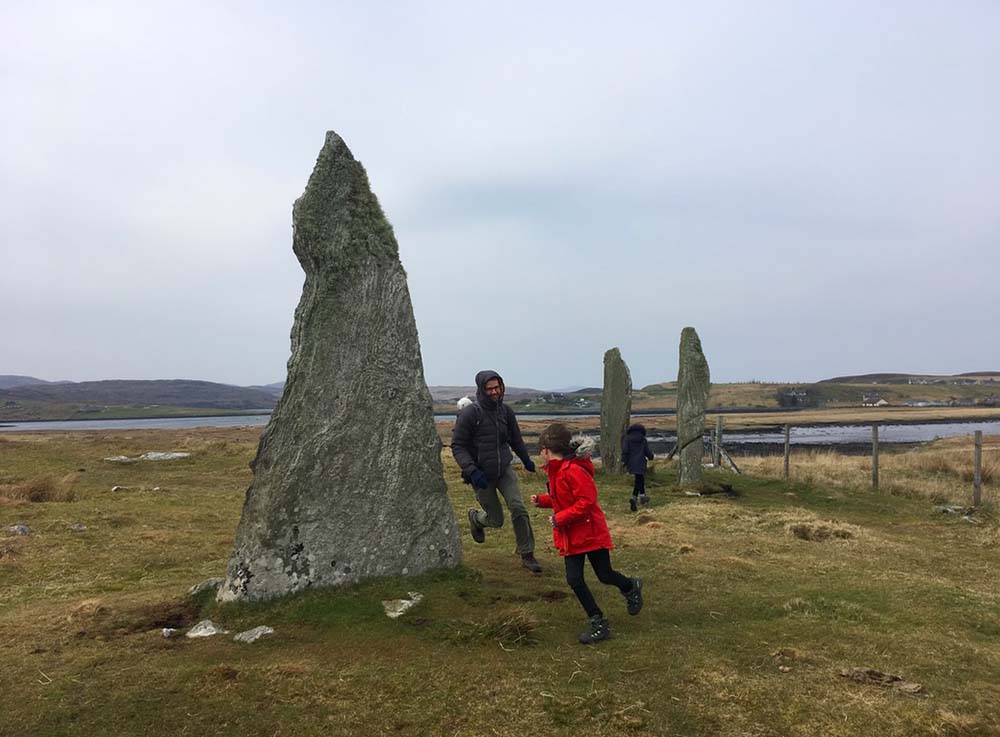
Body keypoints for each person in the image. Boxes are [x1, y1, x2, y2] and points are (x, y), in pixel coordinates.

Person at [531, 423, 643, 644]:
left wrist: (558, 518)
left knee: (604, 574)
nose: (540, 455)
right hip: (572, 535)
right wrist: (544, 501)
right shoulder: (556, 470)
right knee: (574, 579)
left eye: (540, 450)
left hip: (590, 532)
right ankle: (597, 620)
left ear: (546, 449)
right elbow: (563, 499)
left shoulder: (573, 470)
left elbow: (586, 501)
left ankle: (630, 586)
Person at [451, 370, 542, 574]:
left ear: (502, 387)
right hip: (481, 474)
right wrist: (472, 471)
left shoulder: (505, 412)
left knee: (518, 507)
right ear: (482, 390)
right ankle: (476, 518)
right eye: (490, 388)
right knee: (496, 520)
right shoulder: (470, 414)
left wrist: (526, 460)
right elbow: (457, 445)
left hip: (504, 469)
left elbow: (515, 439)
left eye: (497, 387)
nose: (494, 392)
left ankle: (527, 553)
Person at [621, 423, 655, 512]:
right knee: (639, 479)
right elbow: (647, 451)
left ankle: (639, 497)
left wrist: (623, 461)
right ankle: (636, 497)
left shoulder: (627, 439)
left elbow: (625, 450)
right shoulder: (643, 439)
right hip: (641, 462)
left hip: (631, 462)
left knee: (639, 479)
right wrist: (651, 456)